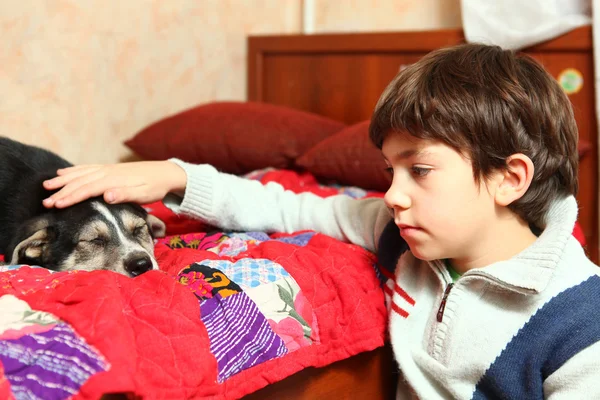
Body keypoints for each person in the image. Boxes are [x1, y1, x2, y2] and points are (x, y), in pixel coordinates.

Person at [42, 43, 600, 398]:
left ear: (510, 178)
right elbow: (289, 206)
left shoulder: (580, 324)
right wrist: (177, 178)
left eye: (420, 171)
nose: (393, 195)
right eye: (389, 171)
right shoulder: (396, 231)